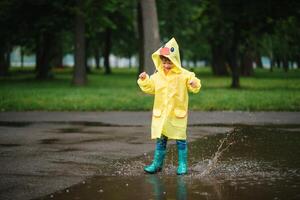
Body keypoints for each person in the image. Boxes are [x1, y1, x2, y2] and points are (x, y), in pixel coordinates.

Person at [137, 37, 201, 175]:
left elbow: (194, 82)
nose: (166, 64)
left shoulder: (184, 75)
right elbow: (150, 88)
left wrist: (194, 83)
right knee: (161, 140)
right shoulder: (157, 75)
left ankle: (183, 165)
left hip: (177, 113)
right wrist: (144, 80)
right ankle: (157, 164)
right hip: (162, 114)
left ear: (175, 60)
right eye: (164, 61)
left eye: (169, 61)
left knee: (180, 140)